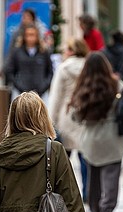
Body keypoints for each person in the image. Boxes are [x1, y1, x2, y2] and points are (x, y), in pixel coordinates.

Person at [69, 52, 123, 212]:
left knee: (93, 177)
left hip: (91, 138)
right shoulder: (117, 85)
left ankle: (95, 210)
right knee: (111, 178)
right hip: (113, 137)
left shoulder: (83, 88)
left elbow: (76, 116)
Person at [48, 37, 90, 198]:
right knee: (85, 156)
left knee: (62, 160)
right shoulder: (89, 67)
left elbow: (56, 96)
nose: (63, 53)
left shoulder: (64, 68)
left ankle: (64, 194)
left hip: (66, 118)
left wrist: (50, 121)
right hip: (84, 116)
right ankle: (87, 193)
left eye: (65, 49)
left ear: (72, 51)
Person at [4, 24, 53, 99]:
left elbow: (50, 72)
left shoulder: (44, 52)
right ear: (24, 36)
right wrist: (19, 86)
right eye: (28, 35)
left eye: (32, 35)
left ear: (37, 36)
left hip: (40, 93)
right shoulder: (17, 52)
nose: (30, 38)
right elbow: (10, 71)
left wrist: (44, 86)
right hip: (20, 93)